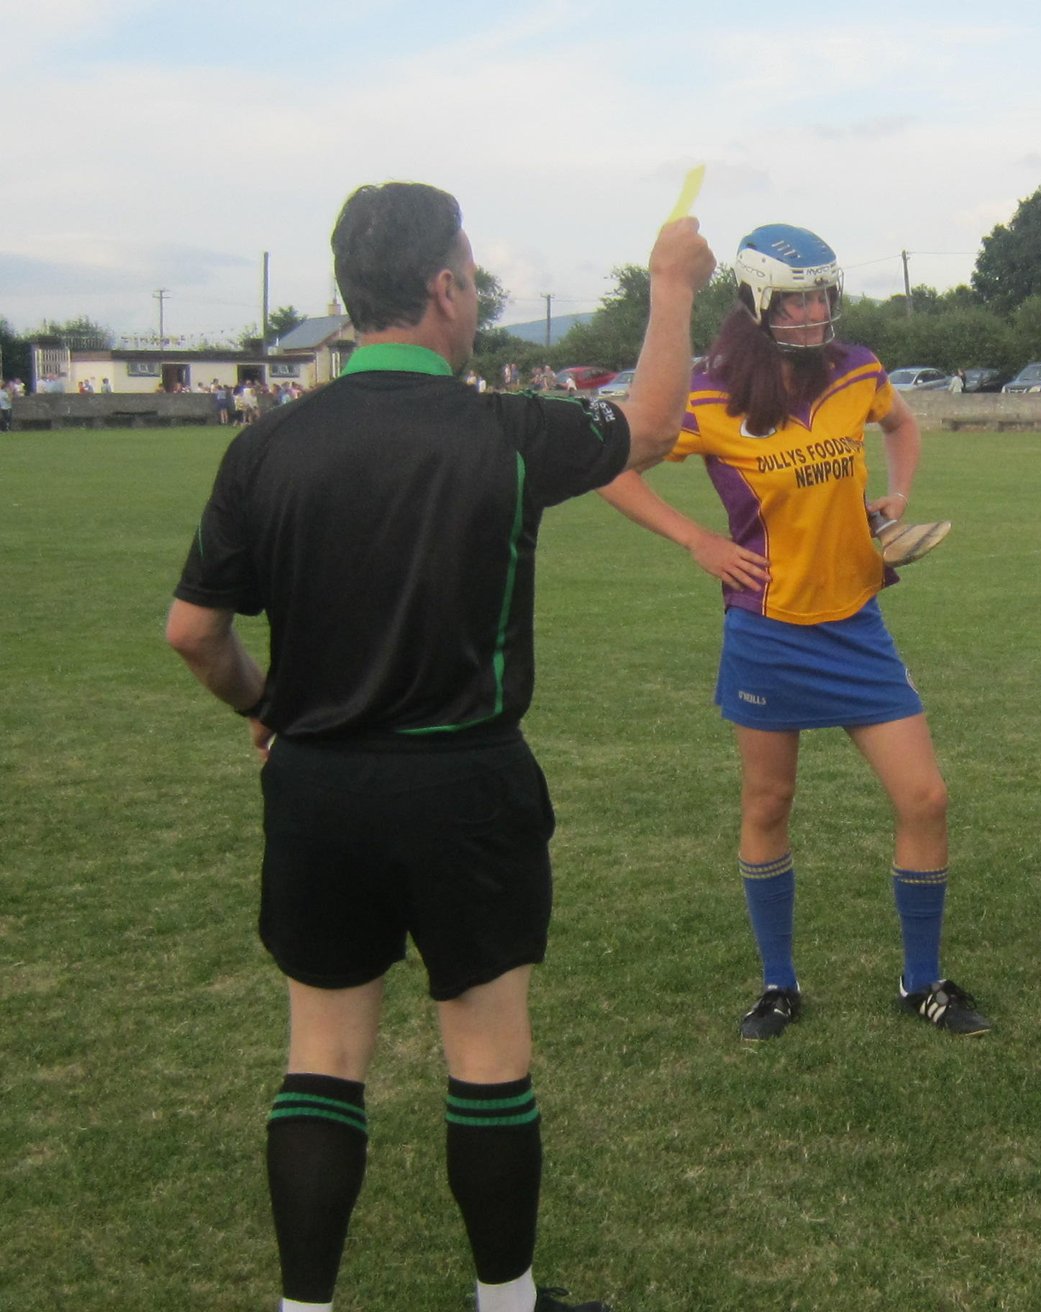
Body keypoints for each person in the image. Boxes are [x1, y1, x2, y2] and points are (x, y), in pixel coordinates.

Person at [166, 180, 714, 1312]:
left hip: (318, 790)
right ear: (443, 289)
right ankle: (504, 1303)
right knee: (488, 1055)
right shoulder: (503, 429)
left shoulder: (265, 446)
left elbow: (193, 634)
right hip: (465, 784)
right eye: (470, 273)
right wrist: (670, 287)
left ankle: (303, 1309)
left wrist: (265, 706)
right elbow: (654, 428)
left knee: (322, 1057)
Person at [597, 223, 990, 1042]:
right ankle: (778, 983)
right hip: (768, 631)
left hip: (856, 623)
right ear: (755, 301)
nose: (815, 313)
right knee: (769, 803)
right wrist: (698, 541)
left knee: (925, 798)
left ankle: (923, 980)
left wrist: (897, 497)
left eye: (822, 297)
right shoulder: (709, 393)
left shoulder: (858, 368)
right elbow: (609, 465)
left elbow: (901, 426)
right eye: (797, 300)